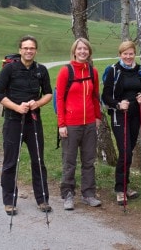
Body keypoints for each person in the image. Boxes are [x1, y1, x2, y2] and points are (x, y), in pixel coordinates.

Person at [0, 35, 52, 215]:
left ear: (36, 50)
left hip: (33, 122)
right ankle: (9, 201)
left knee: (39, 161)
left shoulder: (41, 70)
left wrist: (37, 103)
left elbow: (48, 93)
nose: (29, 51)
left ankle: (42, 199)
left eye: (32, 48)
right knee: (11, 162)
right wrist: (17, 108)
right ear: (20, 50)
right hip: (13, 121)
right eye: (25, 48)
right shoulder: (9, 69)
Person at [56, 38, 102, 210]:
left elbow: (95, 96)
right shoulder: (66, 71)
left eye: (86, 49)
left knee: (89, 160)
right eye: (79, 49)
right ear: (74, 51)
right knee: (69, 161)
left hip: (89, 123)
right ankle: (68, 194)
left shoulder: (93, 71)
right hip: (71, 124)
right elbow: (59, 99)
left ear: (89, 52)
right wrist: (61, 124)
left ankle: (88, 194)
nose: (83, 51)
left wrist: (97, 117)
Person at [102, 41, 141, 205]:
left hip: (136, 115)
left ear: (134, 54)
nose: (128, 57)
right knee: (126, 151)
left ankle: (125, 186)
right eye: (125, 54)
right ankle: (120, 189)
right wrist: (118, 104)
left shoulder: (139, 70)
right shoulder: (113, 70)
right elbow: (106, 96)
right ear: (120, 54)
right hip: (119, 116)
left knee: (129, 151)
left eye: (131, 53)